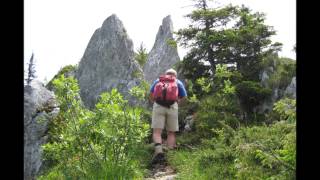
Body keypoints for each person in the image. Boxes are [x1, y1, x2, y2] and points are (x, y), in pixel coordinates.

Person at [149, 68, 187, 161]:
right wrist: (178, 104)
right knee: (171, 132)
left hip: (158, 106)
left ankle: (158, 151)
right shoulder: (178, 82)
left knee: (157, 132)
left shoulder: (158, 80)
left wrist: (154, 103)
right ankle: (170, 154)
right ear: (175, 75)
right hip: (172, 107)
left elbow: (150, 94)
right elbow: (185, 97)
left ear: (166, 74)